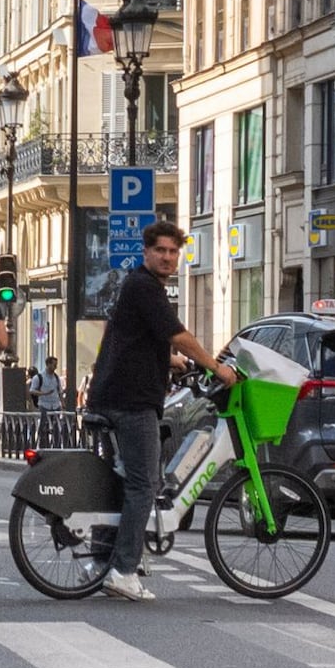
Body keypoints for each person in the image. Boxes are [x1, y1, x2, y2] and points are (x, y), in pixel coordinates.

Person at [82, 217, 210, 602]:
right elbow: (178, 334)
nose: (168, 257)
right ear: (146, 252)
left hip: (114, 395)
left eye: (174, 251)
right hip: (131, 402)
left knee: (124, 482)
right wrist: (215, 365)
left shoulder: (137, 286)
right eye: (161, 250)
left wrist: (169, 361)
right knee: (144, 484)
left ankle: (101, 561)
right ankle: (123, 570)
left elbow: (130, 338)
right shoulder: (145, 287)